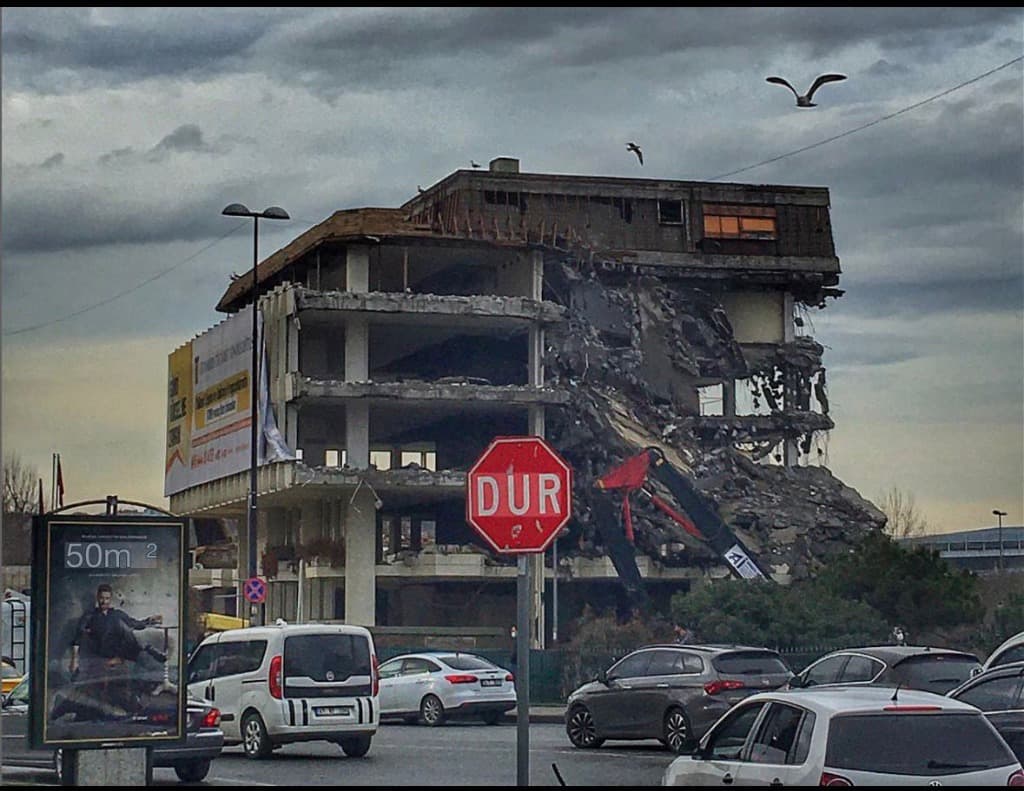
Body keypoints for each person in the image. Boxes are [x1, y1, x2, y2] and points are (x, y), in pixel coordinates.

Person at [68, 583, 166, 677]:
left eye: (107, 598)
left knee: (124, 624)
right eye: (102, 598)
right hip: (101, 648)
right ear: (97, 598)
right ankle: (144, 648)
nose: (104, 601)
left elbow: (134, 623)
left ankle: (139, 651)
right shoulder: (89, 615)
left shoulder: (115, 613)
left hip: (117, 647)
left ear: (110, 599)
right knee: (121, 625)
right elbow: (78, 637)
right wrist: (74, 660)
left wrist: (150, 620)